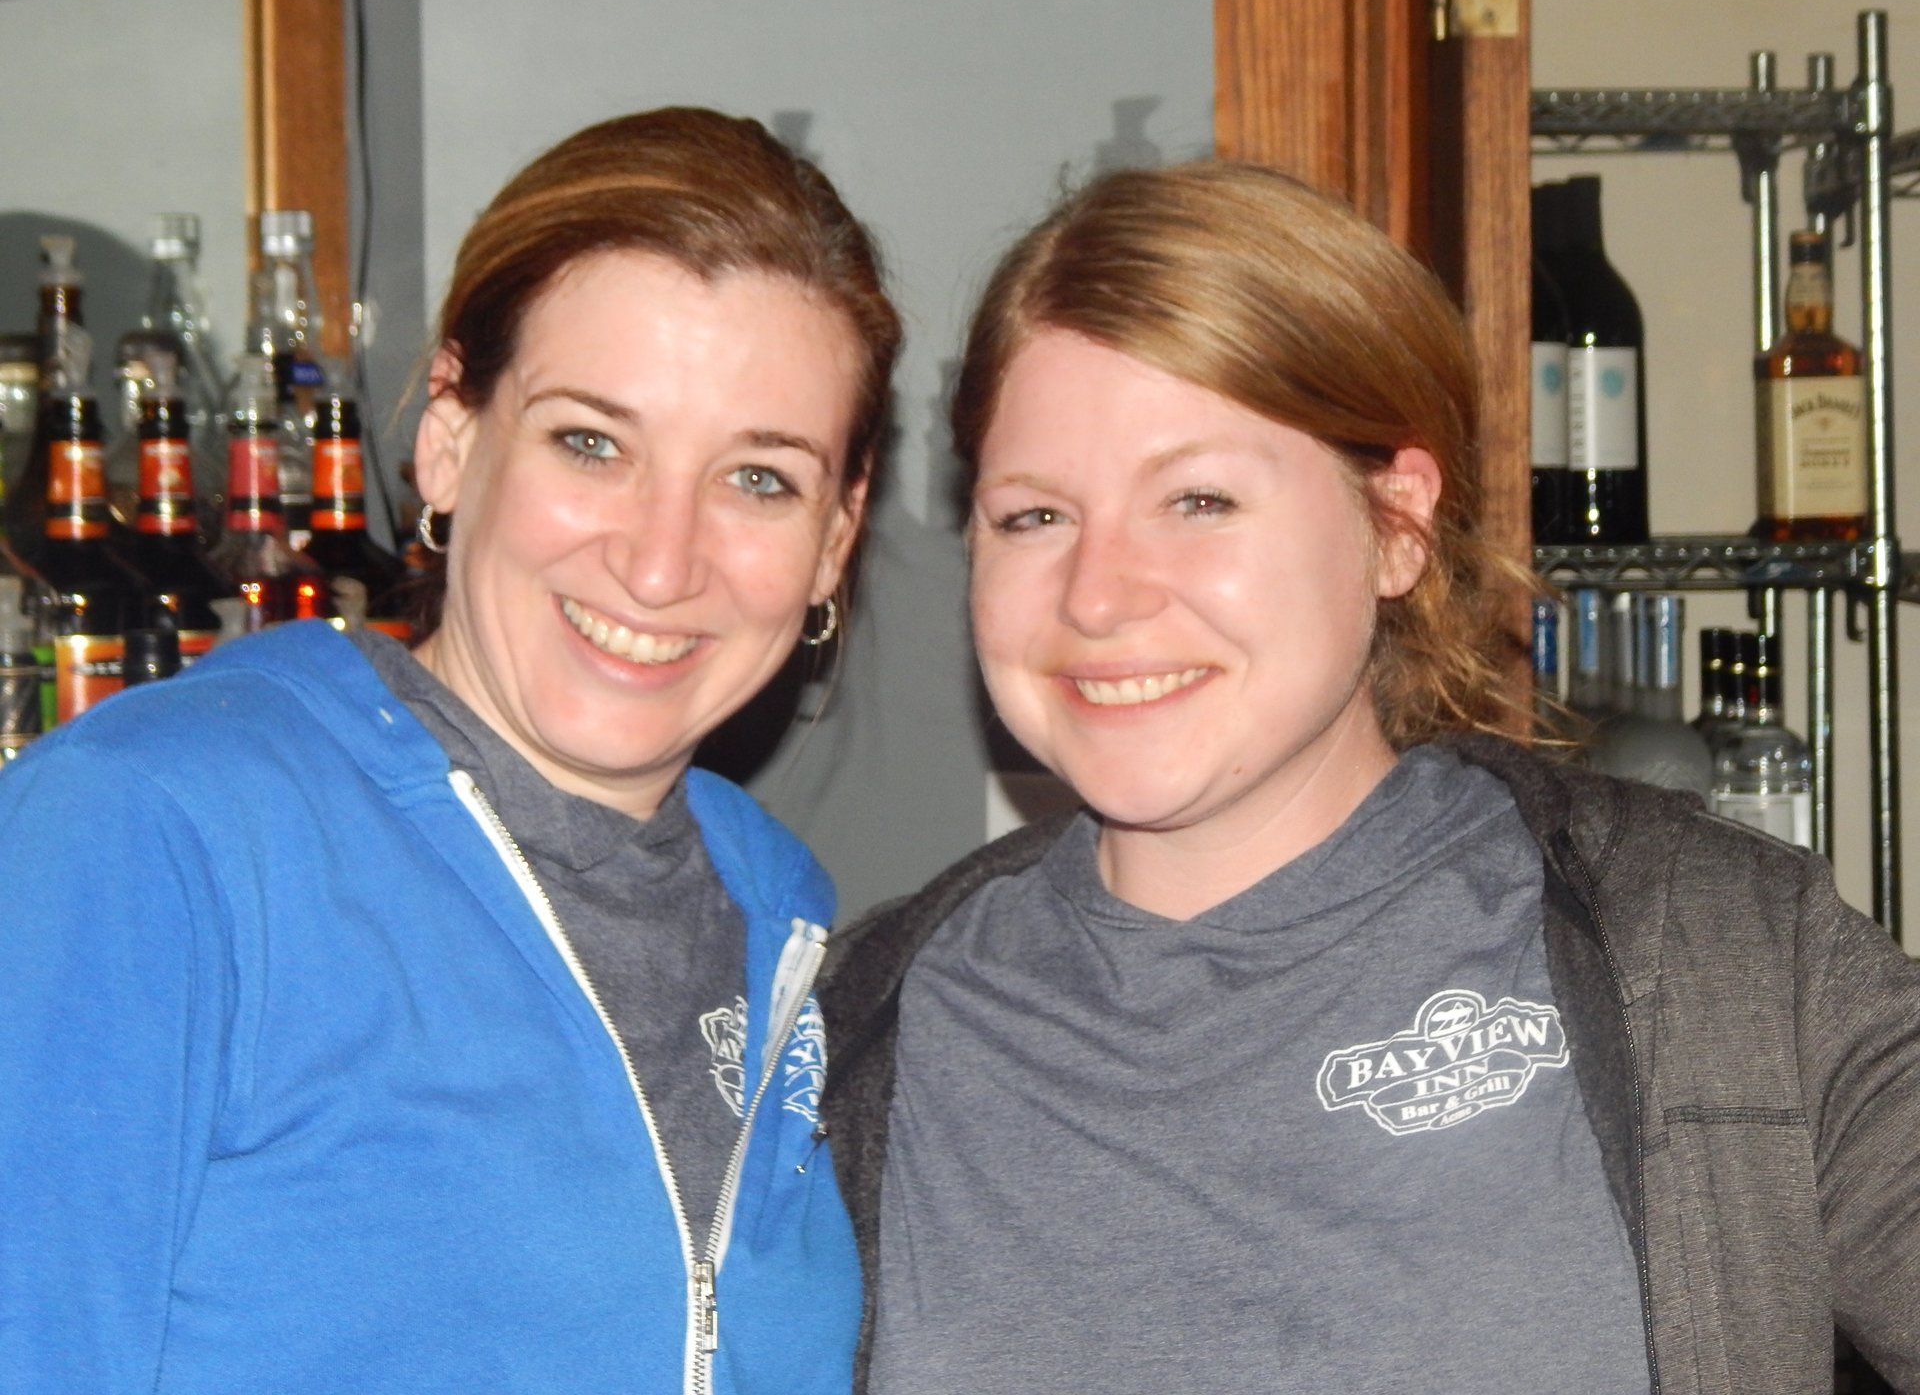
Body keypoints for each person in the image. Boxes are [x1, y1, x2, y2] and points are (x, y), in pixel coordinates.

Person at [820, 162, 1920, 1394]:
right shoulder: (855, 1030)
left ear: (1395, 524)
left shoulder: (1724, 954)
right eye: (1034, 517)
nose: (1098, 594)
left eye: (1198, 498)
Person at [0, 107, 900, 1395]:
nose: (659, 559)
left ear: (834, 537)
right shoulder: (153, 833)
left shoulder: (772, 908)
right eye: (592, 442)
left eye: (759, 478)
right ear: (450, 437)